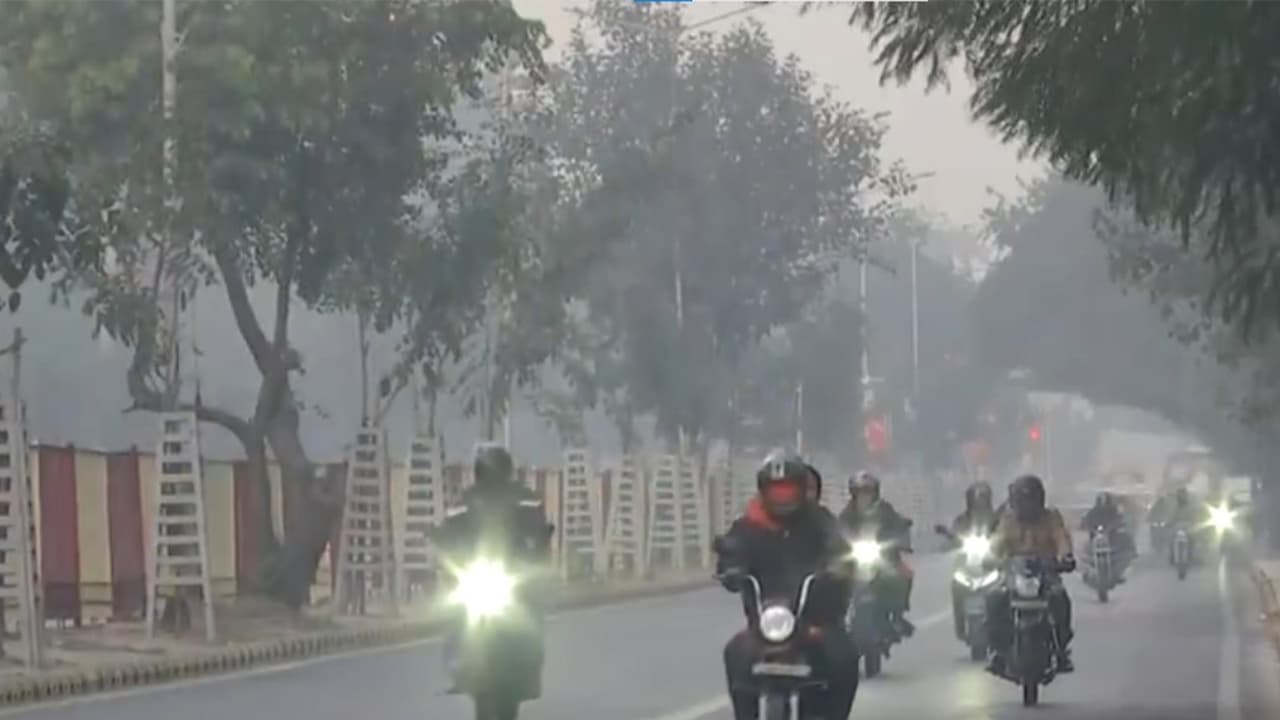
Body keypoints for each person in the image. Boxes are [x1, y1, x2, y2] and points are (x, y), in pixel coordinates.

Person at [716, 451, 858, 720]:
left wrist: (839, 567)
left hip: (815, 624)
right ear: (764, 491)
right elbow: (731, 550)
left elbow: (841, 548)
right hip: (765, 627)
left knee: (845, 656)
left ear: (802, 490)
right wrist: (730, 567)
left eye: (788, 490)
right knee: (734, 654)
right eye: (776, 490)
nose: (782, 497)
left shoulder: (820, 522)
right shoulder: (748, 526)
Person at [434, 443, 552, 698]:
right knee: (455, 611)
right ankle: (458, 664)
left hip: (513, 575)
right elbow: (448, 534)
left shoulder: (526, 499)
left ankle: (531, 666)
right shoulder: (464, 501)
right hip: (477, 573)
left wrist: (538, 546)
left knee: (533, 608)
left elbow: (539, 531)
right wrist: (443, 547)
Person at [986, 474, 1076, 675]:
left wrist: (1066, 557)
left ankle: (1061, 650)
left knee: (1061, 600)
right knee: (994, 600)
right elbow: (997, 540)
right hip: (1013, 573)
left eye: (1031, 499)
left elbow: (1061, 538)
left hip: (1046, 573)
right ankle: (997, 651)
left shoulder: (1051, 517)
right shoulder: (1008, 519)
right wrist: (990, 557)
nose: (1027, 505)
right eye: (1023, 500)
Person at [839, 470, 915, 638]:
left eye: (868, 491)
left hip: (883, 557)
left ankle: (897, 615)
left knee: (904, 575)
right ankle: (838, 620)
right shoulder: (848, 512)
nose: (864, 496)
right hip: (854, 560)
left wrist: (900, 541)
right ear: (853, 493)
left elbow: (898, 525)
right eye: (860, 492)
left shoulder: (885, 509)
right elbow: (839, 530)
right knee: (833, 580)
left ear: (875, 492)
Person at [947, 481, 999, 639]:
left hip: (992, 565)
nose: (979, 502)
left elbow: (1006, 535)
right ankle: (960, 626)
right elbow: (954, 536)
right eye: (976, 499)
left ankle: (1003, 626)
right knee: (956, 586)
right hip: (967, 566)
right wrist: (949, 539)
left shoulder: (997, 519)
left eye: (983, 498)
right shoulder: (961, 520)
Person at [1081, 492, 1136, 578]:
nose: (1103, 503)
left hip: (1112, 535)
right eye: (1102, 501)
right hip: (1095, 536)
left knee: (1126, 541)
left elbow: (1119, 519)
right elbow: (1086, 521)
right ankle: (1087, 571)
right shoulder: (1093, 512)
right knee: (1084, 548)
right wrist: (1085, 526)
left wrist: (1116, 525)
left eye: (1105, 501)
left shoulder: (1113, 510)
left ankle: (1124, 563)